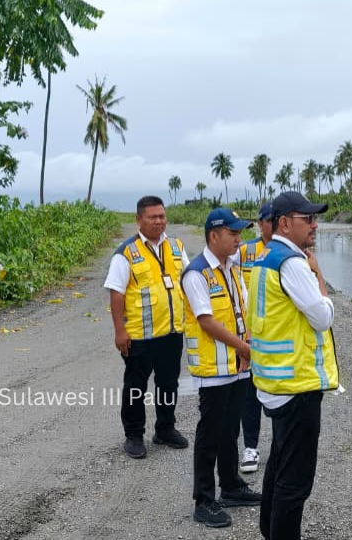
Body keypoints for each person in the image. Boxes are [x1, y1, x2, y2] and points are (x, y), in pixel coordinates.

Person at [247, 191, 338, 540]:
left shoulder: (265, 257)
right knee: (295, 481)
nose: (314, 225)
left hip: (274, 382)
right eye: (308, 219)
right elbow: (322, 316)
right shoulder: (292, 263)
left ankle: (269, 531)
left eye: (315, 218)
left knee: (279, 466)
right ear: (285, 222)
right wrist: (318, 277)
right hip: (296, 386)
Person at [182, 207, 263, 528]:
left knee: (231, 428)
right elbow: (207, 320)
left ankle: (230, 486)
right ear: (213, 235)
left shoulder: (231, 267)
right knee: (210, 433)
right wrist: (244, 347)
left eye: (240, 233)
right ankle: (204, 499)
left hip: (238, 364)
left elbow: (240, 311)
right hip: (215, 368)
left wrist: (247, 347)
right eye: (233, 234)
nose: (238, 239)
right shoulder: (196, 273)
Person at [103, 196, 190, 459]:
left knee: (168, 385)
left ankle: (165, 429)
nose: (159, 221)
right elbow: (116, 293)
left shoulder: (176, 246)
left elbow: (188, 280)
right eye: (152, 217)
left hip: (171, 332)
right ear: (138, 219)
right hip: (140, 336)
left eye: (162, 216)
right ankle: (133, 435)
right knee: (136, 387)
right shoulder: (126, 253)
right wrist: (120, 331)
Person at [234, 201, 273, 474]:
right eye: (268, 220)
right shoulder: (245, 252)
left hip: (282, 338)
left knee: (281, 393)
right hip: (250, 336)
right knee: (249, 395)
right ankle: (250, 447)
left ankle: (282, 447)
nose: (273, 224)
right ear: (260, 223)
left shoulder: (295, 254)